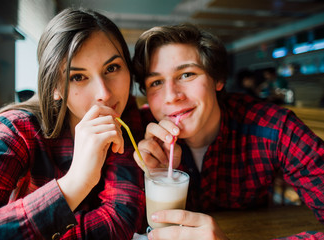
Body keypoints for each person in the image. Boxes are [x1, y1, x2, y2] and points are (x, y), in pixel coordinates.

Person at [0, 8, 145, 240]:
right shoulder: (18, 131)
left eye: (112, 68)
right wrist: (75, 183)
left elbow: (120, 220)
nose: (105, 94)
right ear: (54, 87)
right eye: (78, 77)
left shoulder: (126, 114)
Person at [132, 24, 324, 240]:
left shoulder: (274, 127)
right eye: (156, 82)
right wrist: (141, 177)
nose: (171, 96)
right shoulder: (138, 132)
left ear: (218, 79)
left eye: (186, 74)